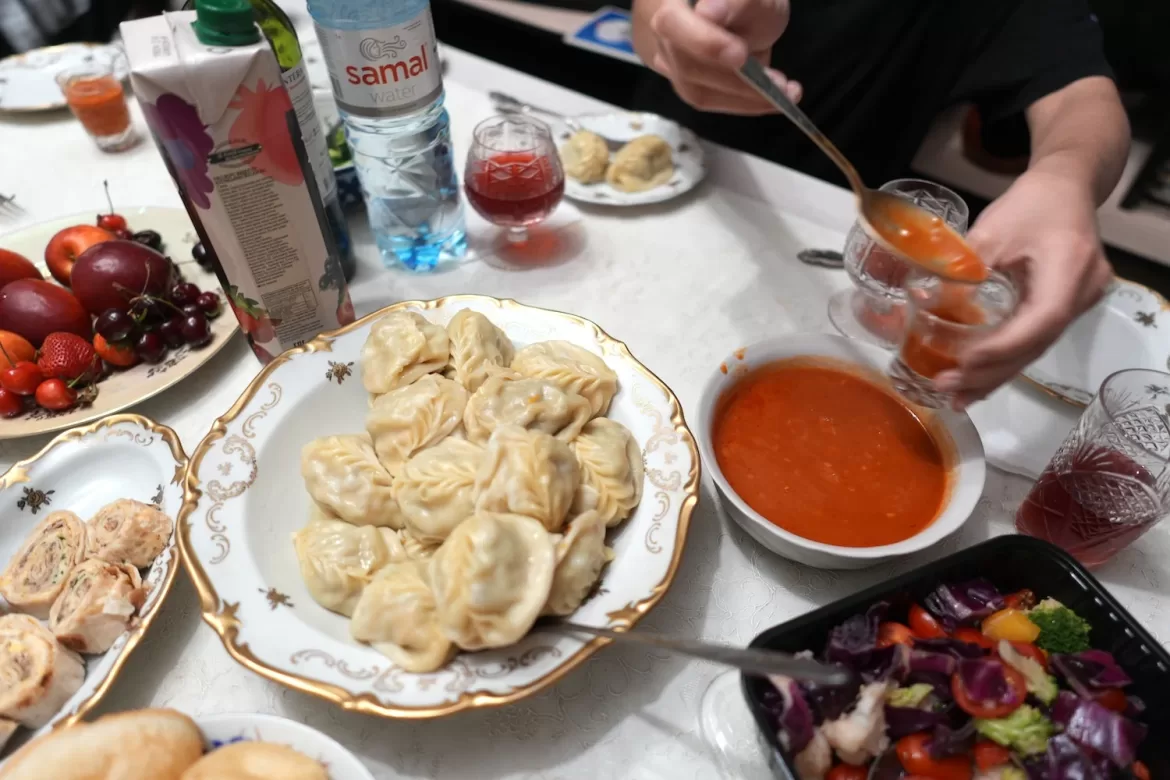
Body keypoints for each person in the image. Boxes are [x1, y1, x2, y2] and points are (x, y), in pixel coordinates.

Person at [631, 0, 1130, 408]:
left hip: (823, 225)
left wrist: (1066, 178)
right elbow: (647, 17)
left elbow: (1082, 97)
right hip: (649, 173)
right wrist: (674, 38)